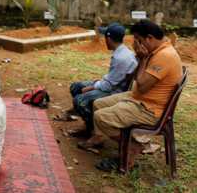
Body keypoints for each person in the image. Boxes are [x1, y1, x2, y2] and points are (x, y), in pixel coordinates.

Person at [78, 20, 183, 171]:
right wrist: (142, 59)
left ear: (149, 38)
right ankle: (99, 137)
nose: (138, 45)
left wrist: (142, 59)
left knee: (101, 117)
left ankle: (132, 148)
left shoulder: (164, 56)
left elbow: (142, 84)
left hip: (149, 109)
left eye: (139, 41)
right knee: (98, 103)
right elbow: (138, 81)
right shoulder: (158, 50)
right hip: (140, 97)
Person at [68, 23, 138, 136]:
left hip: (115, 92)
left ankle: (92, 130)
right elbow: (111, 79)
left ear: (109, 39)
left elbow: (108, 86)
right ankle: (86, 120)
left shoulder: (121, 58)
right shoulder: (124, 52)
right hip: (111, 85)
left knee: (80, 100)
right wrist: (96, 83)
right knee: (75, 86)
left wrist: (91, 87)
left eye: (105, 37)